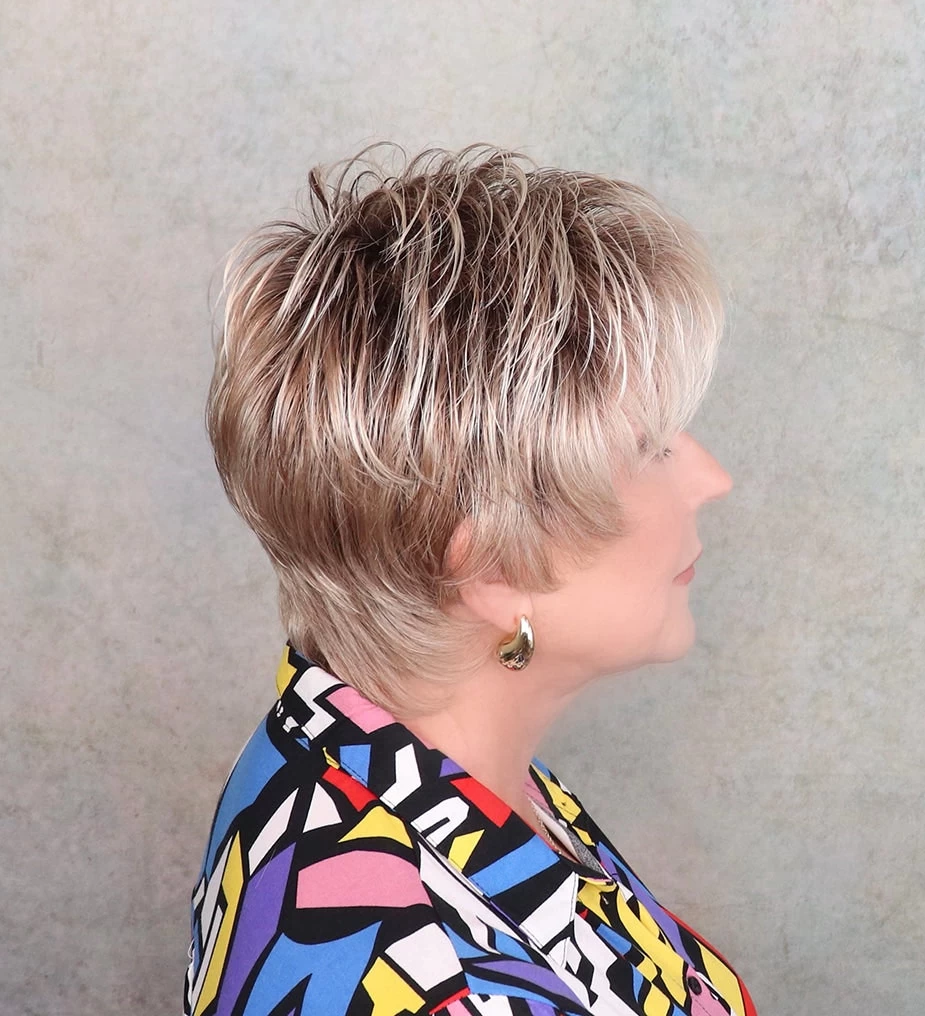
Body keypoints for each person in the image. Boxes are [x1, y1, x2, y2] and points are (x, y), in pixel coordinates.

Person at [184, 143, 755, 1016]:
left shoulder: (352, 742)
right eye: (651, 449)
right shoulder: (430, 985)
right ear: (496, 566)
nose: (711, 478)